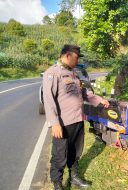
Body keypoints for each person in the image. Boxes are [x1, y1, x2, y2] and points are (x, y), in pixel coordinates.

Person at [43, 44, 109, 190]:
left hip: (78, 120)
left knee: (75, 151)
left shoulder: (73, 73)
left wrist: (99, 100)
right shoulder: (53, 73)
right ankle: (57, 183)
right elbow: (49, 100)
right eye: (76, 57)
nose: (77, 60)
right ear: (67, 56)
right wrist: (54, 123)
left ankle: (74, 177)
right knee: (60, 155)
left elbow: (84, 93)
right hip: (63, 123)